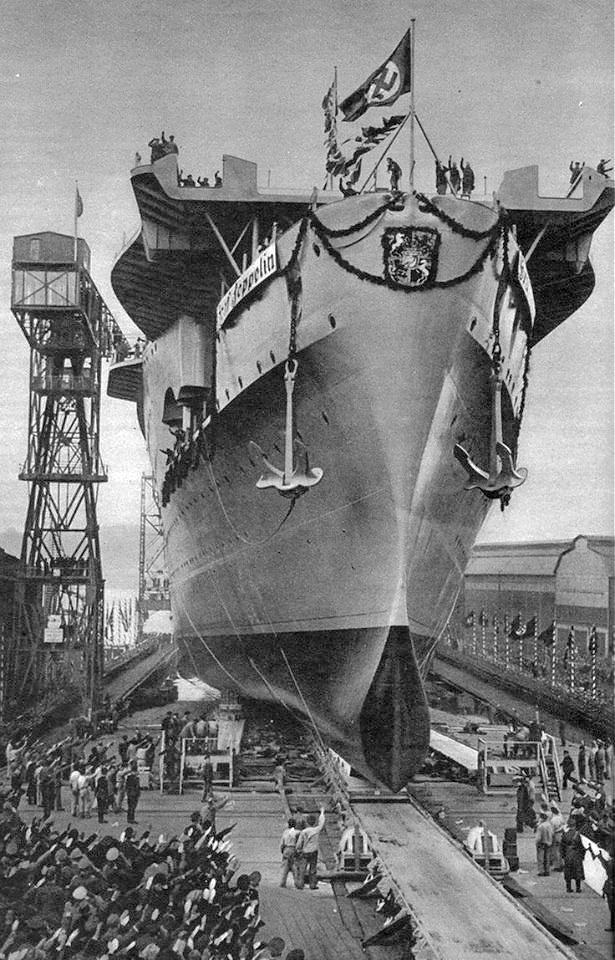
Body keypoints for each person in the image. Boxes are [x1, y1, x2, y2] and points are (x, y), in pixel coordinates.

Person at [295, 806, 325, 890]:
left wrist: (298, 849)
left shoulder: (304, 832)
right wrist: (322, 813)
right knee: (313, 869)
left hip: (305, 852)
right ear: (314, 822)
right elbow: (322, 822)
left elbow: (299, 843)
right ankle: (312, 885)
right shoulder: (317, 830)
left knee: (302, 868)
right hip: (314, 851)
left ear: (307, 822)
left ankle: (300, 884)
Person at [561, 824, 585, 892]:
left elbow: (562, 846)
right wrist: (582, 856)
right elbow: (581, 847)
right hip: (576, 855)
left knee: (568, 872)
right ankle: (578, 888)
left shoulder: (565, 835)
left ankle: (568, 888)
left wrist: (563, 856)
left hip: (568, 855)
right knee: (577, 872)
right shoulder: (577, 835)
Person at [279, 817, 299, 888]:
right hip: (294, 848)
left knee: (285, 866)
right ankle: (297, 882)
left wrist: (282, 850)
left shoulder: (285, 832)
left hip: (286, 849)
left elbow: (282, 842)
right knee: (295, 866)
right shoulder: (297, 832)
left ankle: (282, 882)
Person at [535, 811, 553, 876]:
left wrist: (536, 842)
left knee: (540, 858)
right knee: (547, 857)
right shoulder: (549, 825)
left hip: (541, 843)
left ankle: (541, 871)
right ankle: (547, 870)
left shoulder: (541, 826)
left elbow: (538, 837)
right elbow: (552, 833)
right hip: (548, 843)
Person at [549, 803, 565, 871]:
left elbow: (552, 829)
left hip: (556, 834)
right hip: (561, 833)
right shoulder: (560, 817)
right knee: (561, 850)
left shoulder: (553, 820)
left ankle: (557, 866)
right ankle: (562, 864)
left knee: (556, 851)